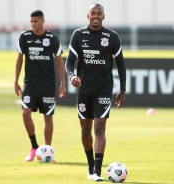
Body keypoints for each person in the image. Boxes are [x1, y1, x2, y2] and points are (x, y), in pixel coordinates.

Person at [65, 4, 126, 181]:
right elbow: (69, 62)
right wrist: (72, 76)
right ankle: (90, 165)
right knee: (85, 130)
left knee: (99, 127)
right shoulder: (78, 35)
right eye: (93, 13)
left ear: (103, 17)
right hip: (84, 89)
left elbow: (121, 64)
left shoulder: (112, 37)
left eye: (99, 14)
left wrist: (122, 90)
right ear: (88, 15)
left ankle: (98, 171)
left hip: (104, 89)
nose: (96, 16)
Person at [14, 10, 66, 162]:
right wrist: (15, 81)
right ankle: (34, 147)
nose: (33, 24)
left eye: (35, 21)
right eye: (31, 22)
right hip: (30, 84)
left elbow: (59, 61)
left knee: (48, 118)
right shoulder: (25, 37)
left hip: (48, 85)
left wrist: (62, 83)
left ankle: (48, 151)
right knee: (25, 113)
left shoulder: (52, 39)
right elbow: (19, 59)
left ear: (43, 21)